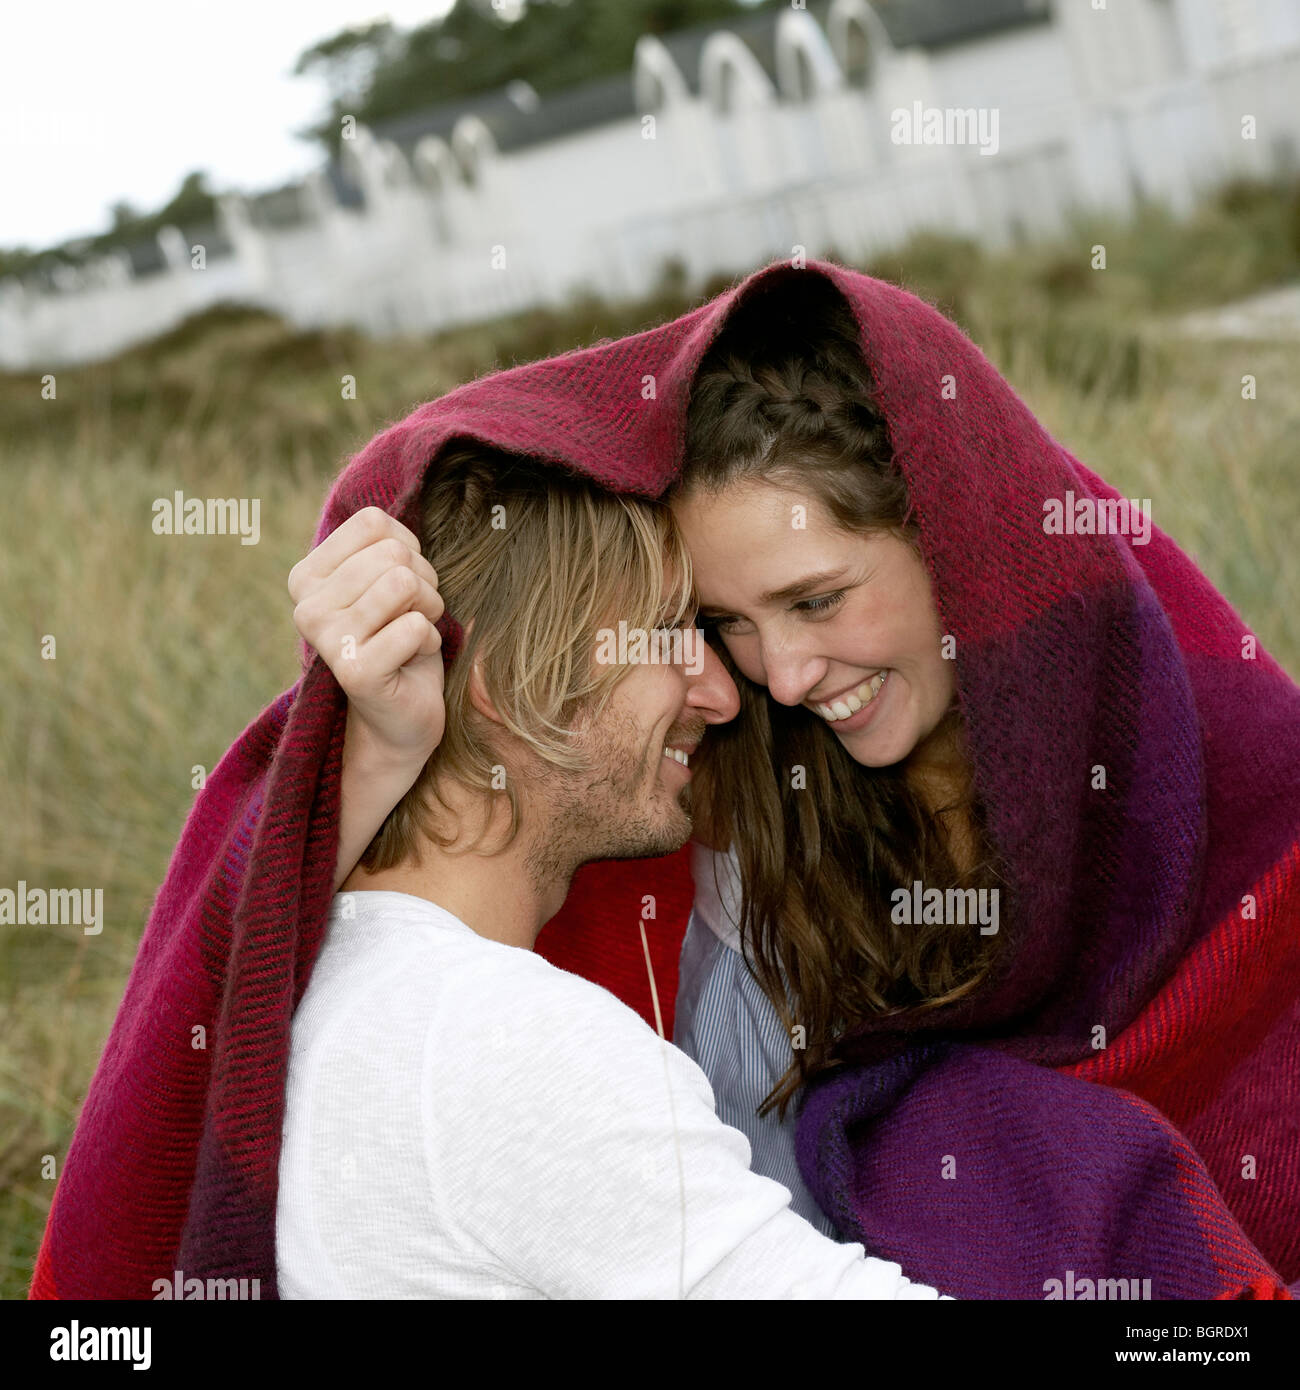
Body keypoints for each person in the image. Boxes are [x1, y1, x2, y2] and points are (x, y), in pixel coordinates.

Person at [278, 440, 951, 1299]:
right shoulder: (512, 1047)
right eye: (669, 633)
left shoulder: (331, 970)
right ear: (510, 680)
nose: (725, 694)